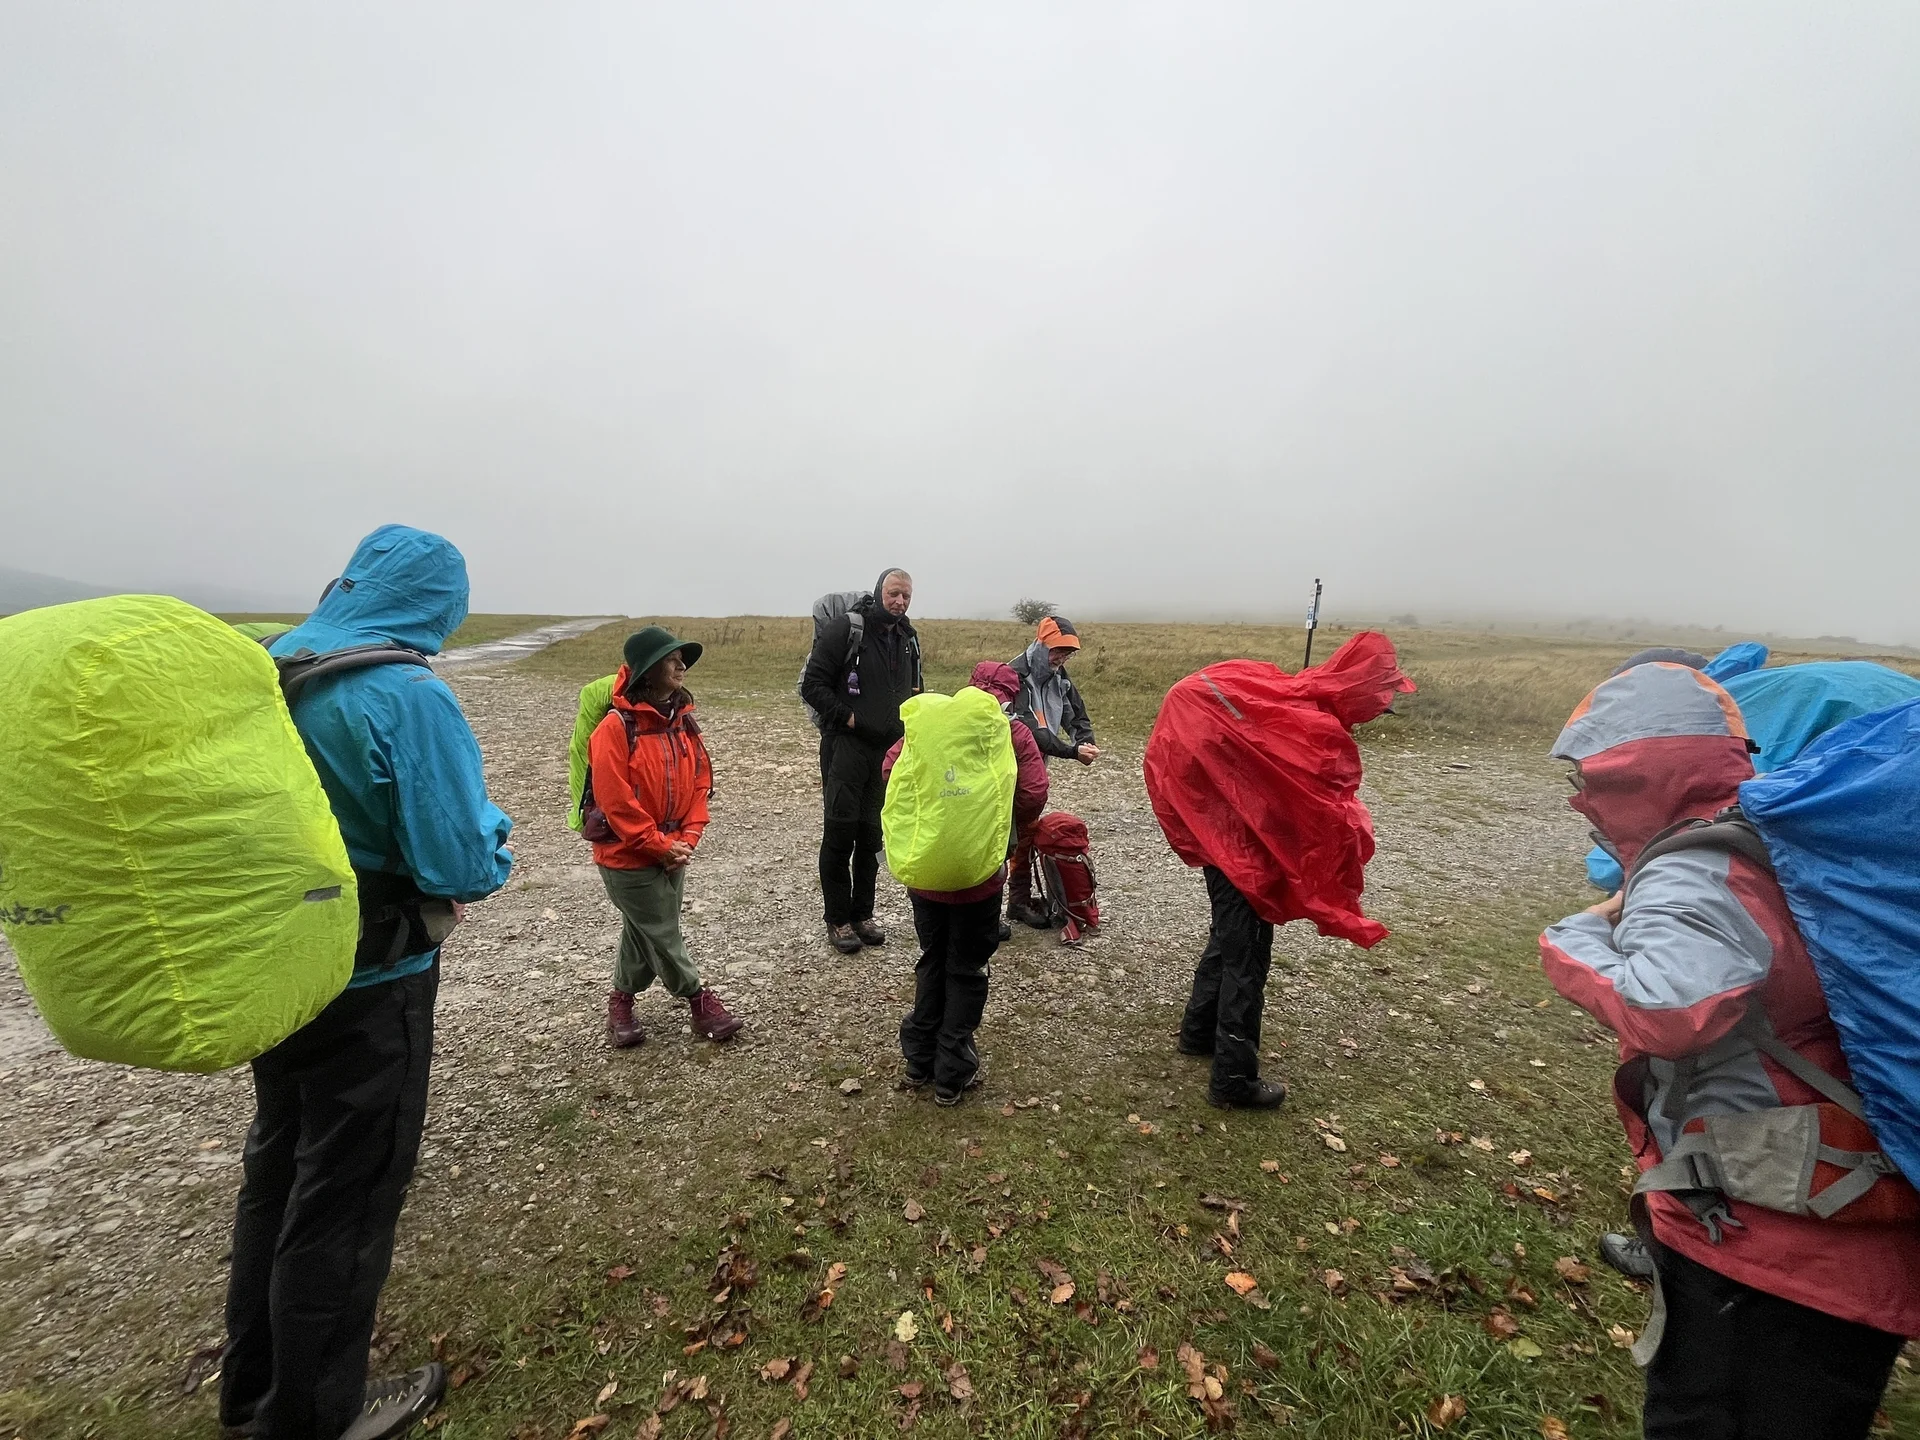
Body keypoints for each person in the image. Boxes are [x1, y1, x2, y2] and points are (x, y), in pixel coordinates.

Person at [1539, 662, 1920, 1439]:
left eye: (1587, 778)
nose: (1579, 799)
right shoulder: (1770, 832)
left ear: (1634, 772)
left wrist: (1570, 938)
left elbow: (1674, 1009)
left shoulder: (1693, 870)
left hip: (1770, 1248)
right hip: (1839, 1216)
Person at [225, 526, 515, 1440]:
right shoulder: (403, 692)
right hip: (373, 976)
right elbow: (460, 858)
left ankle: (251, 1394)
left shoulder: (267, 668)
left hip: (276, 965)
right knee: (346, 1195)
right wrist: (497, 832)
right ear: (441, 605)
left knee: (278, 1168)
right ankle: (316, 1417)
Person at [885, 662, 1047, 1104]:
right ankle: (952, 1072)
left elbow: (890, 770)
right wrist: (993, 820)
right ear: (1010, 698)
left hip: (926, 873)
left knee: (933, 957)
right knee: (968, 966)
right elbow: (1034, 794)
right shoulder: (1013, 734)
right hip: (981, 877)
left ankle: (919, 1060)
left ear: (971, 688)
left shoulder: (933, 726)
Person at [588, 626, 742, 1047]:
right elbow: (616, 803)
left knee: (646, 927)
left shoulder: (683, 722)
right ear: (646, 670)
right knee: (660, 928)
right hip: (626, 855)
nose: (681, 664)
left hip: (674, 850)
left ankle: (620, 1003)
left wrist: (688, 839)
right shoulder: (613, 730)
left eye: (681, 658)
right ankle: (699, 1002)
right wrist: (659, 845)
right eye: (671, 657)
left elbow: (699, 783)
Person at [800, 567, 922, 954]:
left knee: (872, 836)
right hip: (845, 748)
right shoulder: (847, 630)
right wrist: (848, 718)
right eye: (893, 594)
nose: (899, 602)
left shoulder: (909, 639)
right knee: (840, 832)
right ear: (879, 592)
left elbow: (916, 690)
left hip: (885, 755)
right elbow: (812, 685)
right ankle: (837, 920)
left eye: (905, 596)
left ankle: (863, 914)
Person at [1005, 615, 1099, 927]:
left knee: (1027, 831)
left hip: (1034, 768)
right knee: (1006, 836)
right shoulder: (1016, 675)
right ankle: (1000, 904)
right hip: (1007, 767)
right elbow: (1032, 731)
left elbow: (1077, 714)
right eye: (1057, 650)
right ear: (1041, 644)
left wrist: (1085, 741)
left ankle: (1017, 901)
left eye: (1068, 652)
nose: (1061, 657)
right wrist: (1072, 751)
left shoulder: (1060, 677)